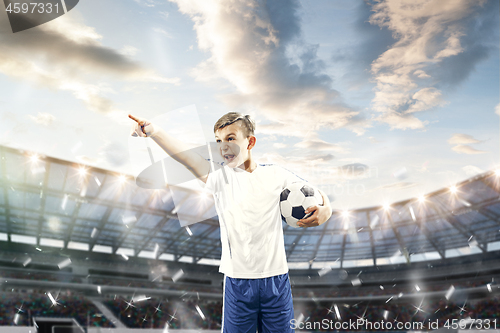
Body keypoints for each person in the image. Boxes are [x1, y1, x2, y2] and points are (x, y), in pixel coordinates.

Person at [129, 112, 332, 333]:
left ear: (250, 142)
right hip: (237, 283)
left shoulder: (277, 175)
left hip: (276, 280)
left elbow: (315, 193)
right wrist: (155, 131)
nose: (224, 146)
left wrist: (326, 209)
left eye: (231, 138)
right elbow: (186, 158)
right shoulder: (219, 177)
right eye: (219, 141)